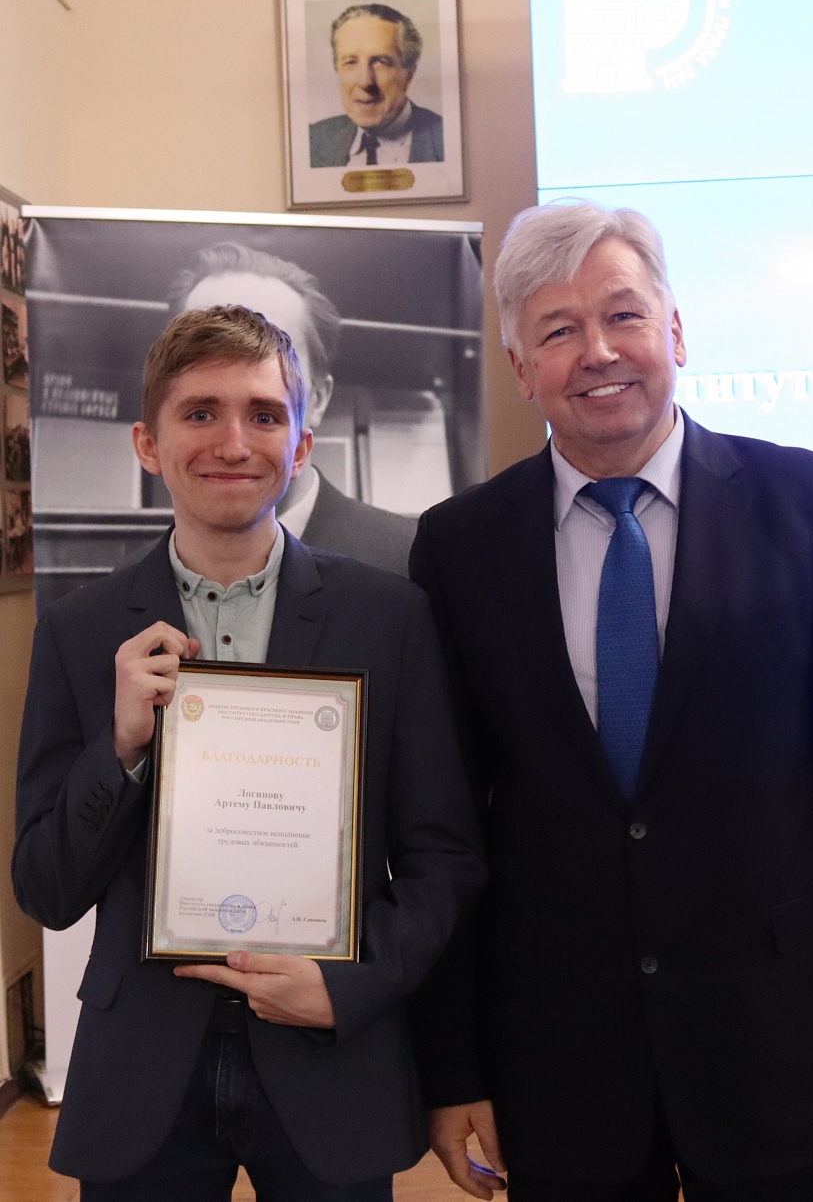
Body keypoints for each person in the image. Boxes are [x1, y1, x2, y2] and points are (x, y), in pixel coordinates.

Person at [408, 201, 813, 1201]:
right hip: (561, 1066)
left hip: (783, 1053)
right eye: (558, 329)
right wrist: (452, 1070)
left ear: (675, 330)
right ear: (520, 365)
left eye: (623, 315)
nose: (598, 351)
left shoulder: (806, 504)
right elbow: (445, 831)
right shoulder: (458, 547)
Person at [13, 305, 484, 1199]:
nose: (233, 442)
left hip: (330, 1058)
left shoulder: (389, 616)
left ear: (300, 446)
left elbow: (443, 858)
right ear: (148, 444)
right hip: (141, 1072)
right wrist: (119, 748)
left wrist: (350, 984)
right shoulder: (80, 631)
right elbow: (45, 887)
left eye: (263, 414)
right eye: (200, 412)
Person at [171, 242, 416, 574]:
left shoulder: (408, 562)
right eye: (205, 353)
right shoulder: (131, 581)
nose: (236, 384)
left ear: (319, 397)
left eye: (271, 351)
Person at [309, 3, 444, 169]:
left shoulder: (447, 139)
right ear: (337, 68)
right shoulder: (313, 140)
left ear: (409, 72)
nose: (365, 82)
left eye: (381, 62)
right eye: (351, 62)